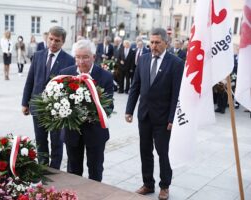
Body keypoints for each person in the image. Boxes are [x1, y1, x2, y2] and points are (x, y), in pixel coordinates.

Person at [125, 28, 184, 200]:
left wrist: (172, 118)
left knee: (163, 152)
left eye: (157, 42)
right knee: (145, 150)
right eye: (151, 42)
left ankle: (164, 186)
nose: (153, 46)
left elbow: (176, 94)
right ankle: (148, 184)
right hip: (144, 115)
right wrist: (129, 109)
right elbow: (135, 86)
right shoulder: (143, 59)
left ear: (166, 42)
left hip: (163, 118)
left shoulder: (176, 63)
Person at [59, 39, 114, 182]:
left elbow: (108, 107)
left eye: (85, 57)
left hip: (95, 132)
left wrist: (88, 114)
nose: (81, 61)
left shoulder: (105, 76)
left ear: (94, 57)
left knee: (95, 170)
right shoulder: (65, 73)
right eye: (78, 57)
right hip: (72, 132)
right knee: (73, 171)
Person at [22, 26, 75, 169]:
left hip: (57, 110)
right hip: (37, 106)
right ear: (47, 38)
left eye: (57, 40)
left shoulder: (69, 60)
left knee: (56, 141)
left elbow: (71, 87)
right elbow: (30, 80)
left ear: (63, 42)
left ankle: (55, 169)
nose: (53, 43)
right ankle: (43, 167)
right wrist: (25, 102)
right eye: (50, 39)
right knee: (40, 140)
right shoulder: (38, 55)